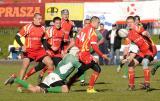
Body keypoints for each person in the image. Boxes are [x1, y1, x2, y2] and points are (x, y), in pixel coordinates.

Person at [4, 47, 81, 93]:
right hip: (55, 78)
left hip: (51, 77)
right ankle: (47, 90)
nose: (79, 54)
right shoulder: (73, 59)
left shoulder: (67, 57)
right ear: (75, 53)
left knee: (35, 90)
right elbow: (82, 69)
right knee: (65, 89)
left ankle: (15, 79)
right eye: (78, 53)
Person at [67, 16, 109, 93]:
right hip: (85, 55)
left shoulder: (83, 30)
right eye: (98, 22)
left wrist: (80, 49)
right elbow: (95, 47)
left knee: (81, 70)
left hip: (82, 53)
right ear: (93, 22)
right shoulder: (92, 32)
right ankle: (89, 88)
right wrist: (102, 55)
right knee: (97, 69)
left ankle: (69, 83)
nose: (99, 24)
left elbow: (76, 41)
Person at [15, 13, 54, 91]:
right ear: (34, 19)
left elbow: (43, 40)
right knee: (25, 65)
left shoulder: (43, 28)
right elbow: (17, 36)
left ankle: (50, 83)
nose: (40, 20)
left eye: (41, 19)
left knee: (50, 63)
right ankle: (19, 86)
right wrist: (22, 45)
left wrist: (47, 49)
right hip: (29, 51)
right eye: (39, 19)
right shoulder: (27, 27)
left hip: (39, 51)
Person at [23, 17, 64, 83]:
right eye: (57, 23)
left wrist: (62, 50)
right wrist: (49, 48)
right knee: (40, 66)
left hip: (57, 54)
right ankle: (26, 76)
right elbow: (44, 41)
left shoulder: (62, 32)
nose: (58, 24)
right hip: (49, 52)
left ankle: (52, 82)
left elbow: (61, 42)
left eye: (59, 23)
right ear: (53, 23)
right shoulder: (50, 31)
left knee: (59, 66)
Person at [126, 16, 157, 91]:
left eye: (131, 22)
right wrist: (128, 57)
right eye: (128, 22)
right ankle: (131, 86)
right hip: (142, 52)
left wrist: (147, 34)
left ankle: (147, 84)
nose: (129, 24)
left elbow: (144, 32)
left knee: (145, 62)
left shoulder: (138, 28)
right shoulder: (129, 34)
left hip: (150, 49)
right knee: (131, 65)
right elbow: (132, 48)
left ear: (134, 22)